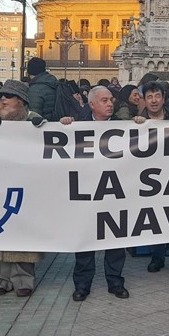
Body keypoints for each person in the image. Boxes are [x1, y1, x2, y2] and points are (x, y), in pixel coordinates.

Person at [60, 86, 129, 301]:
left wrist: (140, 125)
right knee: (85, 240)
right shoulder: (77, 127)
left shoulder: (124, 127)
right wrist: (63, 127)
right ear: (91, 105)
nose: (110, 104)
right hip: (87, 194)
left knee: (115, 241)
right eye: (104, 100)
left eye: (111, 100)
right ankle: (82, 285)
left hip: (113, 193)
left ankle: (115, 282)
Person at [0, 80, 46, 296]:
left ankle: (23, 280)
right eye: (1, 96)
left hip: (25, 185)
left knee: (23, 233)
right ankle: (0, 279)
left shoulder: (34, 122)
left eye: (8, 96)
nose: (3, 99)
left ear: (20, 101)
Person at [133, 81, 169, 272]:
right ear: (144, 100)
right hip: (151, 177)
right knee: (156, 217)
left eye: (157, 96)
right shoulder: (136, 122)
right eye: (149, 97)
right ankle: (157, 256)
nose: (154, 101)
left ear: (164, 98)